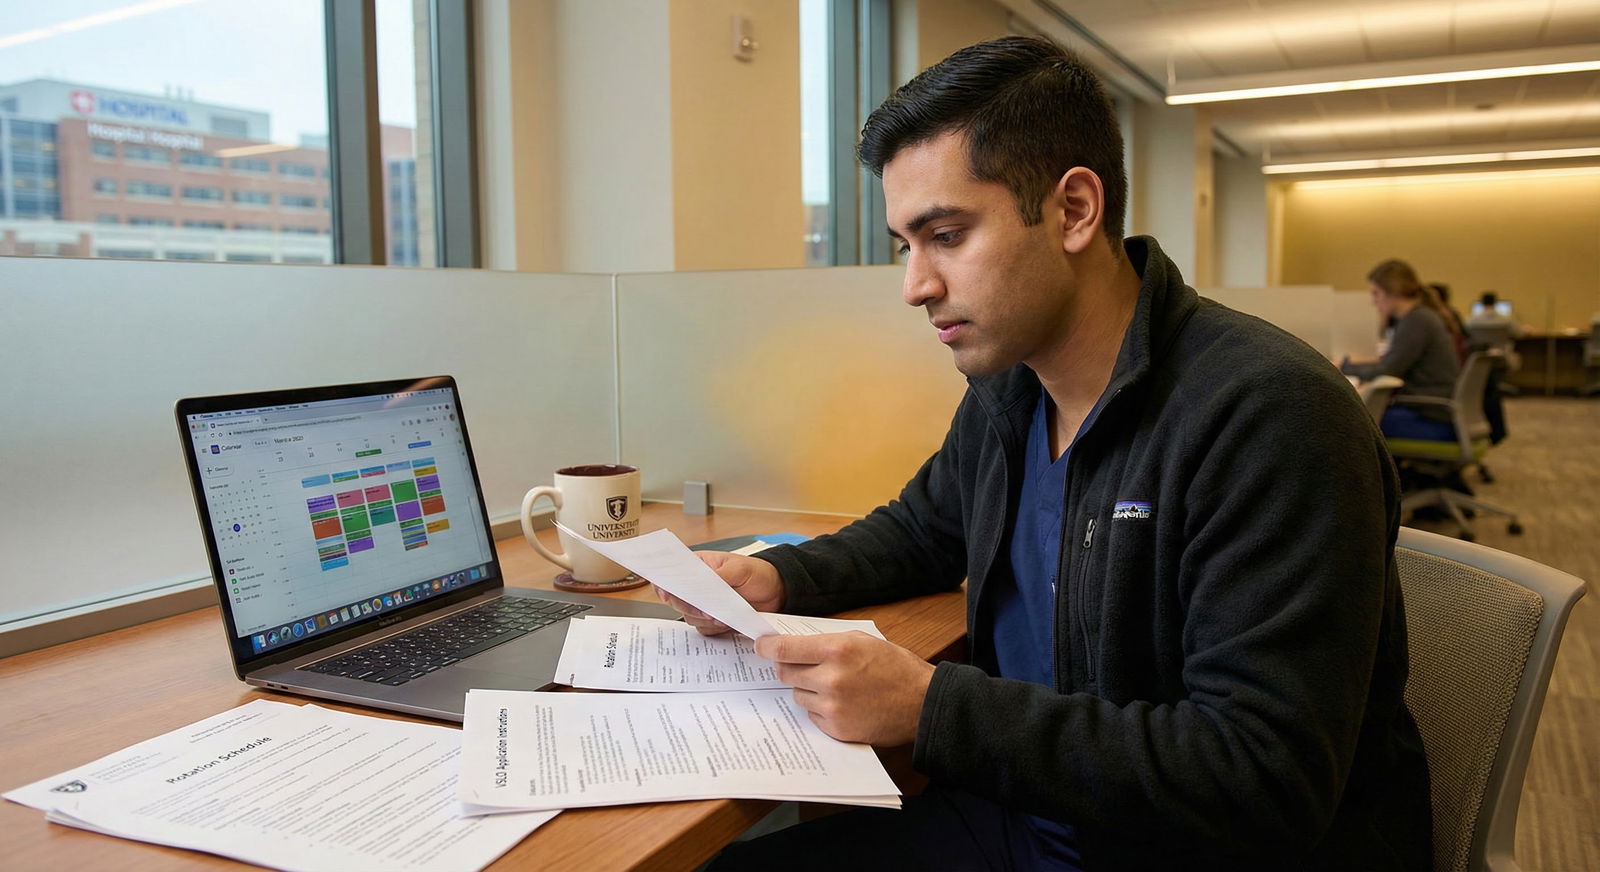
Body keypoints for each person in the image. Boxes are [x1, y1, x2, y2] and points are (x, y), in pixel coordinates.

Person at [663, 37, 1431, 871]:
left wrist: (932, 708)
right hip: (1031, 816)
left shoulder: (1269, 415)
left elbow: (1264, 779)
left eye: (946, 235)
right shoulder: (1013, 389)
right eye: (906, 246)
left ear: (1074, 210)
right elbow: (925, 530)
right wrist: (779, 575)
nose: (916, 285)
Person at [1342, 259, 1461, 442]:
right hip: (1436, 411)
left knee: (1350, 423)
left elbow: (1387, 370)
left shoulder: (1416, 321)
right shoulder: (1421, 316)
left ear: (1394, 291)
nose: (1373, 302)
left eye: (1376, 294)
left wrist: (1343, 367)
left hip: (1431, 417)